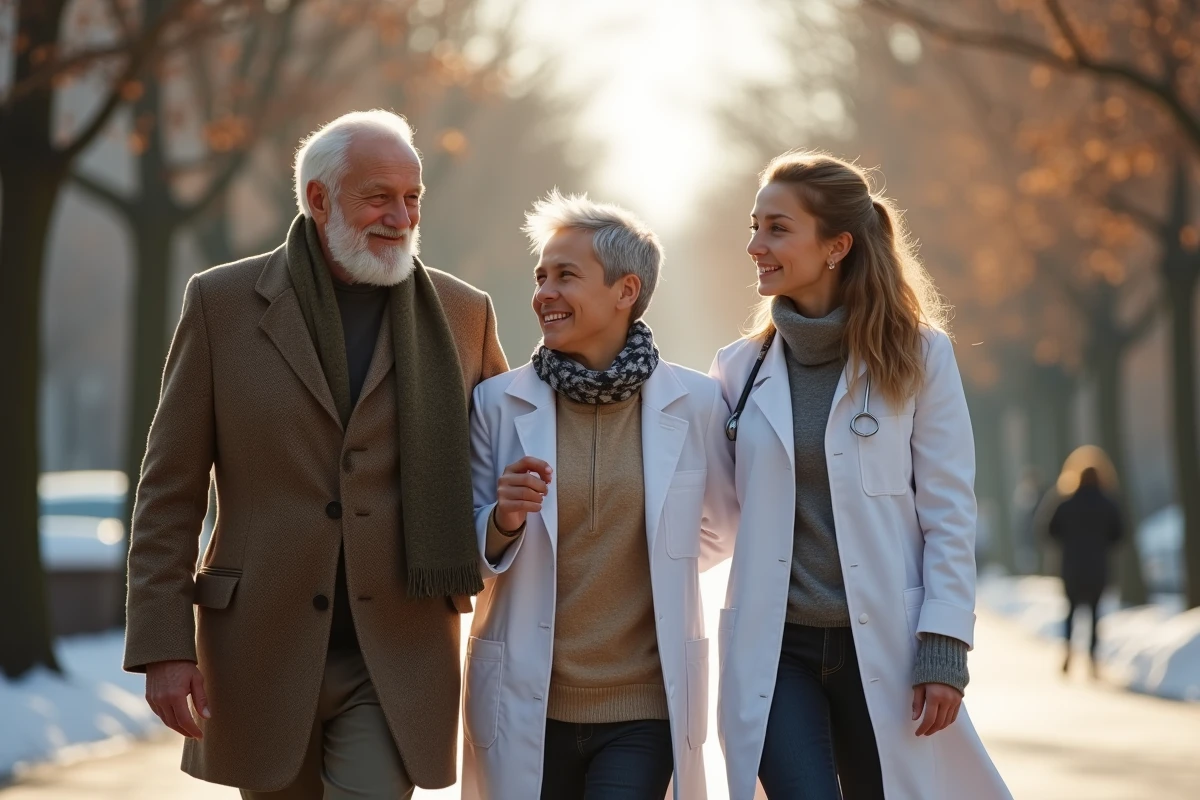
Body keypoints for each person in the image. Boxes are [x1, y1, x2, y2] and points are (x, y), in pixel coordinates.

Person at [123, 110, 508, 799]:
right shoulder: (221, 304)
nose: (401, 216)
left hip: (400, 652)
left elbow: (500, 466)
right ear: (318, 198)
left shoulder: (464, 313)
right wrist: (163, 645)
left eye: (413, 197)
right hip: (259, 653)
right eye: (379, 196)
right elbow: (169, 491)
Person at [709, 151, 1011, 800]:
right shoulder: (738, 370)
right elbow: (708, 517)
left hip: (884, 647)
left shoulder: (920, 356)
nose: (755, 245)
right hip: (776, 649)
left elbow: (949, 512)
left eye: (777, 228)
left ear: (836, 245)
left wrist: (944, 645)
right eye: (754, 226)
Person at [462, 191, 738, 800]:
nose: (545, 293)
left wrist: (665, 553)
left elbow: (719, 529)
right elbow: (467, 557)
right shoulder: (496, 403)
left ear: (625, 291)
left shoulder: (695, 403)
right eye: (541, 277)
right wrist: (502, 519)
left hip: (644, 708)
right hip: (528, 700)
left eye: (566, 276)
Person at [1049, 465, 1123, 677]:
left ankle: (1068, 650)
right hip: (1097, 568)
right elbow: (1119, 533)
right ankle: (1092, 658)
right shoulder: (1108, 503)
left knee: (1071, 611)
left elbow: (1049, 530)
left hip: (1071, 567)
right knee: (1095, 613)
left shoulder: (1066, 502)